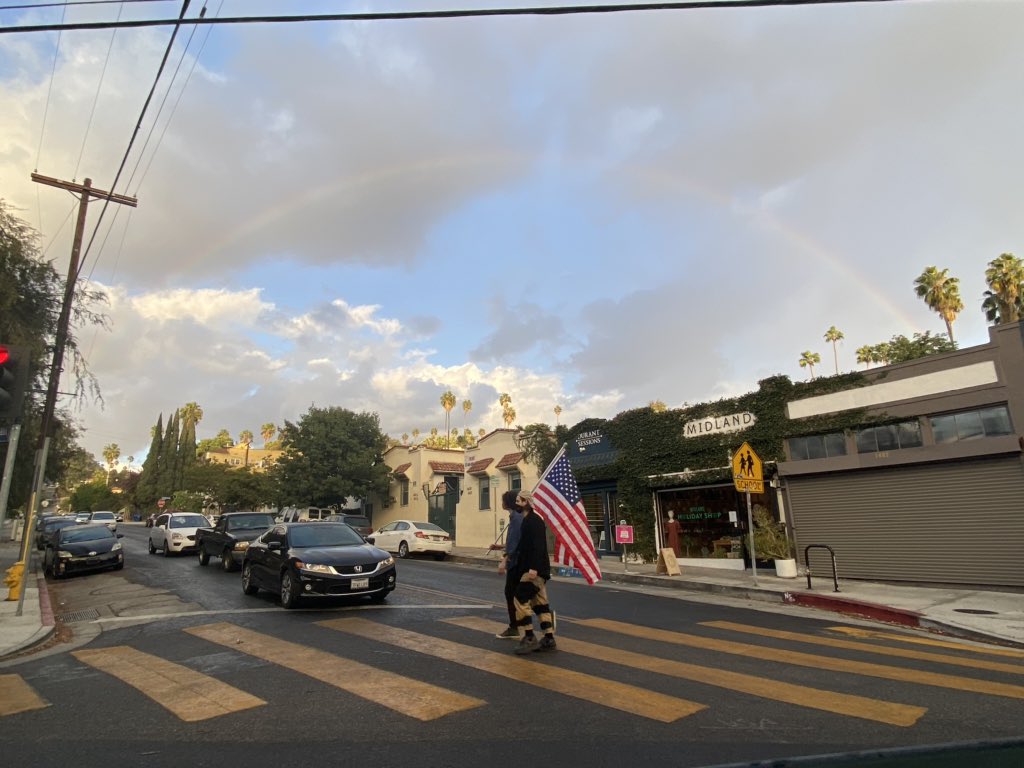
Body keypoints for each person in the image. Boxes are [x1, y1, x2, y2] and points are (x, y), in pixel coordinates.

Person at [511, 490, 556, 654]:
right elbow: (525, 545)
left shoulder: (534, 520)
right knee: (540, 604)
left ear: (526, 502)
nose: (516, 503)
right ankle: (549, 638)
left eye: (519, 500)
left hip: (534, 570)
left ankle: (529, 637)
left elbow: (539, 546)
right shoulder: (527, 520)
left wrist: (534, 568)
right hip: (535, 569)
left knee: (519, 598)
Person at [495, 490, 524, 639]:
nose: (502, 503)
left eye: (503, 500)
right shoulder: (516, 517)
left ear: (508, 502)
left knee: (511, 593)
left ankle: (514, 627)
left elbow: (514, 543)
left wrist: (504, 561)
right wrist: (500, 547)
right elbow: (514, 541)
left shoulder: (516, 518)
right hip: (518, 561)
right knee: (519, 594)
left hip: (516, 563)